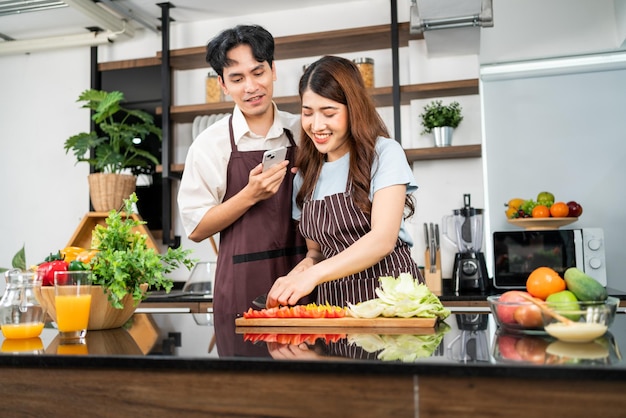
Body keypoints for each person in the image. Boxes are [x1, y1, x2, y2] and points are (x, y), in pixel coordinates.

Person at [266, 55, 424, 308]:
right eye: (307, 113)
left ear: (354, 109)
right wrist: (299, 273)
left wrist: (312, 276)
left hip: (391, 301)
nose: (316, 125)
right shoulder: (307, 173)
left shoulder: (384, 153)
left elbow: (382, 240)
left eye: (329, 113)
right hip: (334, 306)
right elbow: (317, 253)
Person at [177, 25, 308, 317]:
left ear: (274, 70)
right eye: (237, 78)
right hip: (242, 290)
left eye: (258, 72)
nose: (251, 87)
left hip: (305, 282)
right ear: (223, 85)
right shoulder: (210, 145)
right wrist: (250, 195)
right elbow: (197, 228)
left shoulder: (303, 130)